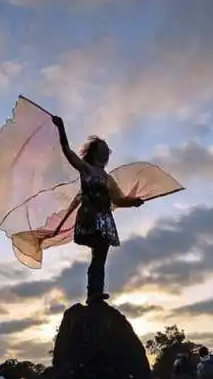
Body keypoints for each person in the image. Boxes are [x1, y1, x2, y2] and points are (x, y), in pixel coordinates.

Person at [52, 115, 144, 304]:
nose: (105, 151)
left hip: (105, 221)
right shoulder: (85, 168)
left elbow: (118, 200)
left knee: (100, 255)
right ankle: (93, 292)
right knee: (98, 253)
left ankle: (95, 293)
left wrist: (133, 202)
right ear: (94, 152)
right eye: (101, 148)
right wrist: (61, 128)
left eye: (107, 150)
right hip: (89, 217)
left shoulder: (108, 178)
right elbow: (67, 151)